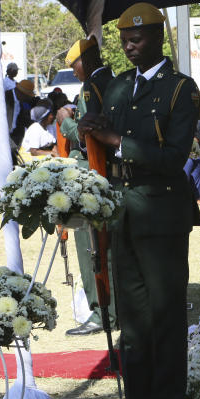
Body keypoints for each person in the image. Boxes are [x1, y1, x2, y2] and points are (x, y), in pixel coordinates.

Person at [79, 2, 200, 399]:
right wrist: (90, 128)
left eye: (138, 39)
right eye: (125, 40)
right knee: (131, 315)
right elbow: (102, 138)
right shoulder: (116, 87)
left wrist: (117, 140)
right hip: (121, 209)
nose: (130, 47)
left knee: (164, 313)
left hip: (162, 210)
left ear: (157, 37)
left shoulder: (179, 90)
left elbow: (173, 159)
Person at [57, 35, 116, 337]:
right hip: (108, 174)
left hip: (92, 173)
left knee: (91, 246)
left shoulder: (91, 87)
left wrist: (65, 121)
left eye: (75, 66)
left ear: (84, 62)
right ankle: (112, 309)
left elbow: (86, 135)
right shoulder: (112, 81)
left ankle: (100, 312)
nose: (75, 72)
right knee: (108, 247)